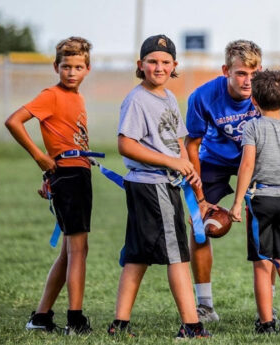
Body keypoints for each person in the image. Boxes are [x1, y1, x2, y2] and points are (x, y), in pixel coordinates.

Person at [106, 35, 210, 339]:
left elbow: (178, 140)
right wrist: (171, 162)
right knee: (178, 255)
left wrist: (186, 167)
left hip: (165, 184)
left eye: (165, 62)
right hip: (152, 186)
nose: (159, 67)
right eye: (152, 61)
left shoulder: (167, 97)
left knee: (137, 256)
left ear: (174, 65)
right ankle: (192, 325)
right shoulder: (138, 99)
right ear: (141, 65)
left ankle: (119, 325)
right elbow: (126, 144)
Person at [5, 36, 95, 334]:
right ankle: (75, 320)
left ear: (87, 68)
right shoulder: (51, 95)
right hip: (68, 175)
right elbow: (14, 121)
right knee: (78, 250)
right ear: (56, 67)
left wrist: (48, 174)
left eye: (78, 67)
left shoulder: (78, 98)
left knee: (70, 251)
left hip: (76, 173)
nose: (71, 72)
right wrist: (40, 158)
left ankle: (41, 318)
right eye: (66, 67)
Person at [185, 40, 267, 322]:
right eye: (241, 73)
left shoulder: (263, 92)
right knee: (198, 226)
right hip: (214, 159)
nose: (248, 81)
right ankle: (205, 305)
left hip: (254, 158)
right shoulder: (202, 96)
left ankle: (265, 308)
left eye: (253, 74)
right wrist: (198, 195)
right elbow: (192, 143)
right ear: (226, 71)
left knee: (263, 226)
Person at [229, 69, 280, 334]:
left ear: (253, 100)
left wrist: (235, 203)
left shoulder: (252, 127)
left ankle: (266, 322)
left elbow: (247, 165)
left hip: (260, 201)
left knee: (263, 264)